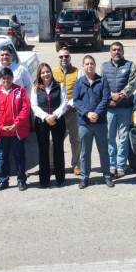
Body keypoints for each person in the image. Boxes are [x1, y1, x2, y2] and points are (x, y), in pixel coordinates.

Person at [0, 47, 33, 179]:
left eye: (7, 55)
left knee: (18, 153)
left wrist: (21, 100)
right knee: (1, 152)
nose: (4, 57)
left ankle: (21, 177)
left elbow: (29, 87)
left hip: (17, 118)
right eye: (2, 55)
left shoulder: (20, 69)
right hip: (0, 120)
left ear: (11, 56)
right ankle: (1, 176)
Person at [0, 67, 32, 191]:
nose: (6, 80)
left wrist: (16, 124)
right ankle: (3, 180)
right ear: (0, 79)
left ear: (12, 78)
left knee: (19, 156)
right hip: (1, 133)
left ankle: (21, 180)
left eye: (8, 78)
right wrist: (1, 126)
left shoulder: (20, 91)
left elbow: (25, 109)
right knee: (2, 158)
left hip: (17, 131)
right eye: (3, 78)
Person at [73, 55, 113, 189]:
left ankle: (107, 175)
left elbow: (105, 99)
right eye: (87, 64)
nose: (89, 66)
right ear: (83, 66)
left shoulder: (102, 81)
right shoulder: (79, 82)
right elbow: (76, 101)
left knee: (103, 150)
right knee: (85, 152)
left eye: (92, 64)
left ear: (95, 65)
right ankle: (85, 177)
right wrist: (87, 113)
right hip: (85, 124)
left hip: (100, 122)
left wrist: (96, 113)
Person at [103, 41, 136, 178]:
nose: (116, 52)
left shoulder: (130, 65)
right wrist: (111, 96)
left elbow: (133, 83)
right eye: (114, 49)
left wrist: (121, 95)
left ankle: (121, 166)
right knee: (110, 138)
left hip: (125, 108)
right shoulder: (104, 67)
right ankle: (112, 166)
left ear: (123, 51)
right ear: (110, 52)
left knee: (123, 138)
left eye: (119, 50)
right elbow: (102, 85)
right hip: (110, 109)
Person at [31, 63, 68, 188]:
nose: (45, 74)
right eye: (43, 73)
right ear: (39, 75)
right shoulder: (35, 88)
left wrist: (54, 115)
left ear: (51, 73)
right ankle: (44, 179)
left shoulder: (60, 85)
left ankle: (60, 178)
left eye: (47, 72)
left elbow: (64, 103)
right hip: (42, 121)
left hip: (58, 120)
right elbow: (34, 106)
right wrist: (46, 117)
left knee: (58, 148)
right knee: (43, 149)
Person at [53, 45, 82, 175]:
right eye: (61, 57)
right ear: (58, 58)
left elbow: (81, 90)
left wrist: (73, 103)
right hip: (58, 113)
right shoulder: (52, 73)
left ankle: (76, 164)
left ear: (70, 57)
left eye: (66, 56)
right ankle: (53, 165)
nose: (64, 58)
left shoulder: (77, 72)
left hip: (73, 111)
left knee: (75, 139)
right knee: (54, 140)